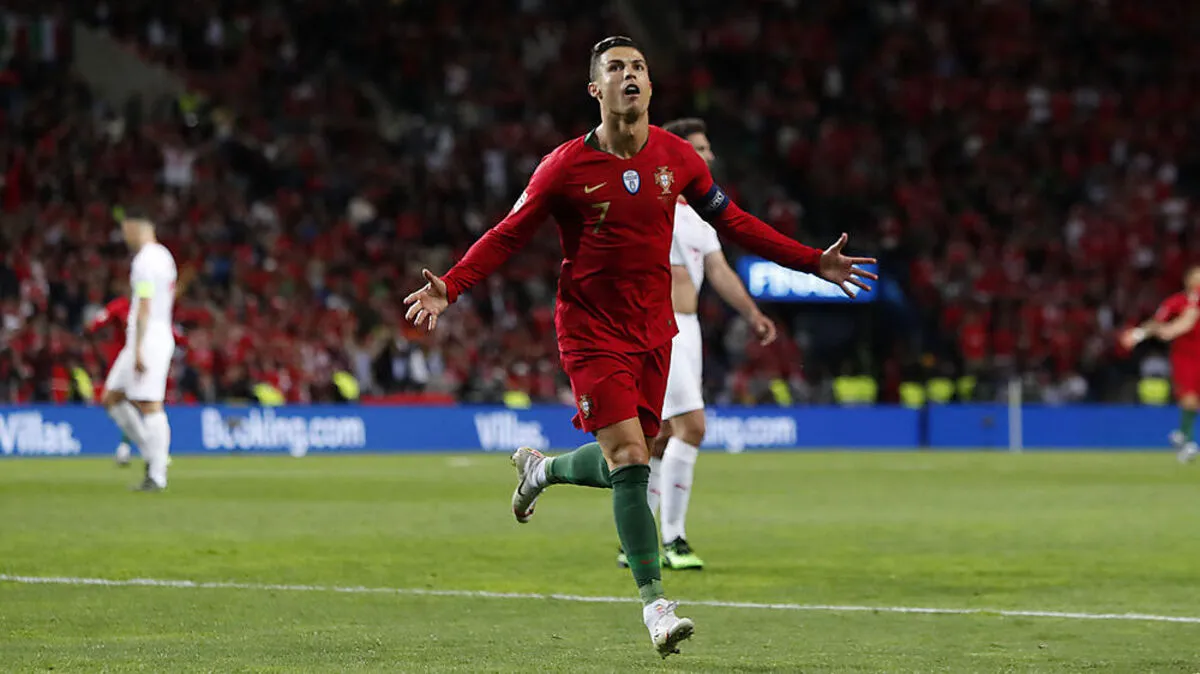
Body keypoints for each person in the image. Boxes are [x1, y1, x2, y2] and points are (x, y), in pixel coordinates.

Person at [403, 36, 876, 657]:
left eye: (638, 67)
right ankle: (656, 606)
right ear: (595, 89)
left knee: (634, 457)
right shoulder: (563, 167)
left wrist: (811, 261)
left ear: (650, 86)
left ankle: (542, 470)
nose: (629, 75)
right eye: (616, 68)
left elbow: (734, 222)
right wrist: (453, 285)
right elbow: (508, 233)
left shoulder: (678, 160)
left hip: (655, 331)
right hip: (590, 330)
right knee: (630, 457)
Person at [616, 117, 778, 572]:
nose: (709, 156)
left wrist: (752, 313)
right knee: (692, 427)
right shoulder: (652, 205)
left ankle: (634, 539)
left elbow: (719, 270)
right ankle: (673, 540)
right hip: (658, 327)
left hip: (690, 332)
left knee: (663, 436)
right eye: (700, 149)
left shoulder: (701, 216)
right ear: (678, 156)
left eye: (708, 148)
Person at [101, 213, 179, 491]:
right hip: (152, 333)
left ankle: (157, 475)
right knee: (112, 397)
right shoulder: (164, 256)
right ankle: (152, 453)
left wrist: (138, 351)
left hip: (148, 338)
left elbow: (145, 305)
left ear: (136, 228)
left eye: (126, 230)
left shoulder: (144, 261)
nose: (124, 237)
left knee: (150, 403)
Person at [88, 270, 191, 466]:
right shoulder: (120, 306)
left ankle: (142, 452)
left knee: (140, 403)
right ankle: (145, 450)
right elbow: (95, 325)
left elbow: (175, 335)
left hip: (144, 360)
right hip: (124, 361)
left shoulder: (148, 308)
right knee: (121, 401)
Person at [1123, 266, 1200, 462]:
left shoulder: (1194, 304)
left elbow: (1187, 321)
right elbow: (1157, 322)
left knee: (1194, 402)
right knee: (1190, 398)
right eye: (1196, 277)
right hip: (1186, 357)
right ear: (1188, 280)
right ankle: (1189, 443)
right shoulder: (1175, 302)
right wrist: (1138, 334)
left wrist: (1171, 330)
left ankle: (1182, 433)